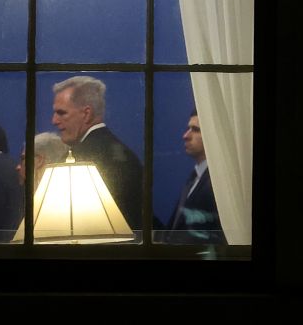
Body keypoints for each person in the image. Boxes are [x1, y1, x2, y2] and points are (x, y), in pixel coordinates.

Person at [51, 75, 144, 230]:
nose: (54, 120)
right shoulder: (127, 155)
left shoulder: (75, 162)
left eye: (61, 113)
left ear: (86, 114)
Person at [160, 109, 226, 244]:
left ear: (213, 134)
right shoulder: (195, 177)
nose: (185, 135)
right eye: (188, 128)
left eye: (195, 129)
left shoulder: (219, 182)